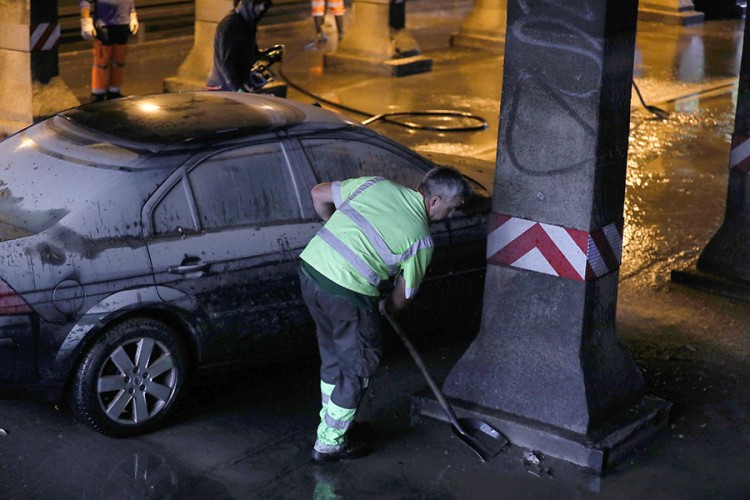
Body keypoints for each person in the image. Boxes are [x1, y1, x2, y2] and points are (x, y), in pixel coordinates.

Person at [299, 167, 470, 463]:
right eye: (452, 210)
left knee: (334, 358)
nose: (450, 217)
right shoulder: (420, 239)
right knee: (357, 367)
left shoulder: (374, 185)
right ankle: (329, 443)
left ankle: (338, 423)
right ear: (435, 201)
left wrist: (334, 229)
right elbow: (402, 297)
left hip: (311, 272)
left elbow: (318, 193)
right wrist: (386, 308)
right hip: (346, 294)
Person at [206, 0, 273, 92]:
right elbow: (226, 62)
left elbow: (249, 54)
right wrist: (237, 89)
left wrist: (269, 55)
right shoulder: (231, 25)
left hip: (234, 84)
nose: (261, 8)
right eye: (257, 4)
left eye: (264, 4)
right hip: (223, 87)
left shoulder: (247, 23)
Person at [79, 0, 139, 102]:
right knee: (102, 60)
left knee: (119, 60)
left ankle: (114, 91)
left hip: (123, 24)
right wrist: (86, 21)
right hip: (104, 26)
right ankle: (98, 93)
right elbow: (85, 2)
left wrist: (133, 15)